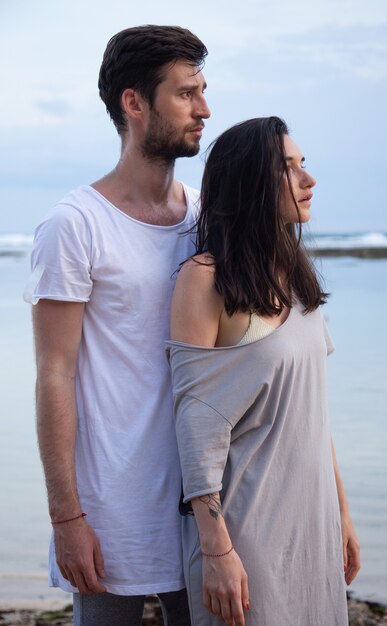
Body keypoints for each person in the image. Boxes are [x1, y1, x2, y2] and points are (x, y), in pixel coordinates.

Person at [25, 25, 210, 626]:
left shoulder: (209, 216)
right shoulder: (74, 224)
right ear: (135, 103)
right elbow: (55, 373)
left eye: (202, 91)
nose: (204, 109)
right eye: (185, 93)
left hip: (205, 503)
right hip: (111, 509)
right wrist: (66, 517)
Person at [167, 116, 361, 626]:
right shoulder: (205, 278)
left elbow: (313, 413)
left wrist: (340, 512)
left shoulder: (297, 275)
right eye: (287, 168)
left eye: (304, 165)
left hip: (311, 520)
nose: (308, 180)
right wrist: (216, 551)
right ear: (249, 181)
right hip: (244, 532)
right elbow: (195, 426)